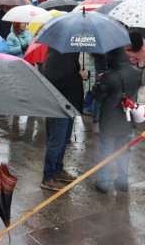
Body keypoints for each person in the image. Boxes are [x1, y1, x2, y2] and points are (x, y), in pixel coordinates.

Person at [92, 48, 141, 193]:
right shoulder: (136, 72)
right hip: (127, 120)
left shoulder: (109, 76)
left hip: (109, 122)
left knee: (106, 152)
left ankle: (103, 183)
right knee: (123, 153)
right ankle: (123, 181)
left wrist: (98, 82)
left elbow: (98, 95)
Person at [41, 48, 87, 191]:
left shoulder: (70, 54)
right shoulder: (55, 57)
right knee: (56, 142)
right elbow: (54, 84)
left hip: (69, 105)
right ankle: (48, 177)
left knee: (64, 140)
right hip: (59, 107)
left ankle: (58, 169)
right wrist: (78, 76)